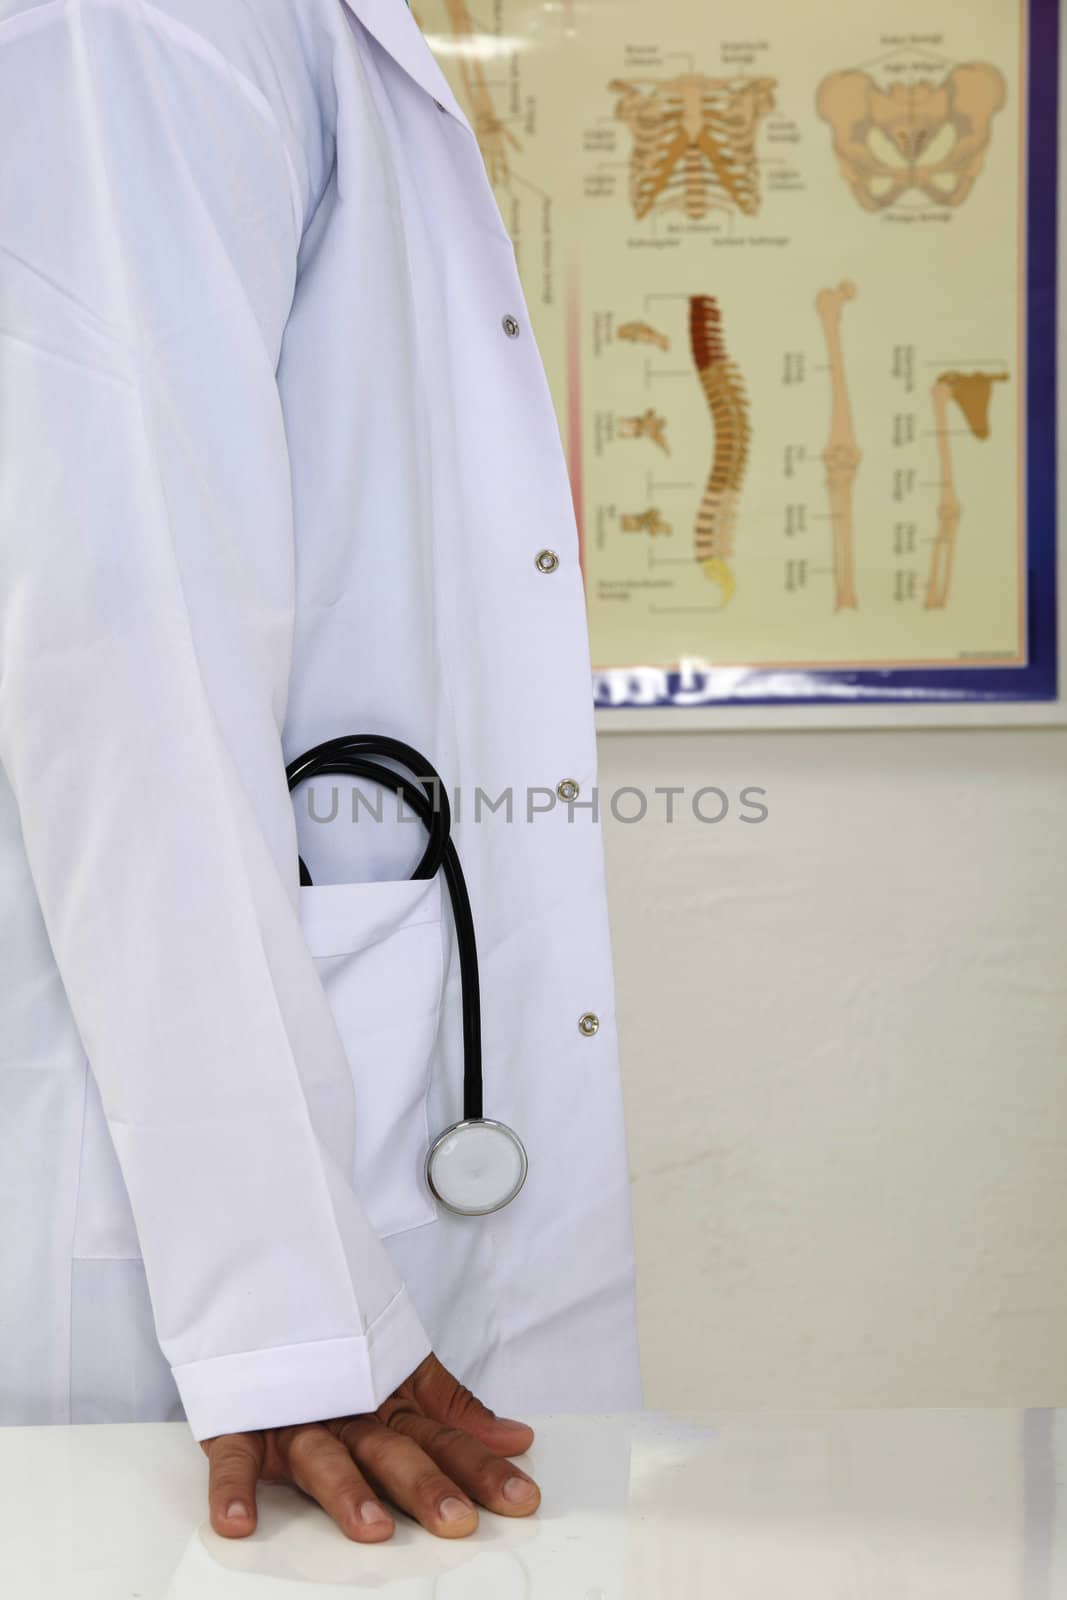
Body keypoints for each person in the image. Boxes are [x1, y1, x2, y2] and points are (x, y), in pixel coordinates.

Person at [0, 0, 642, 1542]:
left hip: (326, 1224)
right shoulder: (133, 21)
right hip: (214, 1319)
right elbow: (123, 632)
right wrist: (288, 1308)